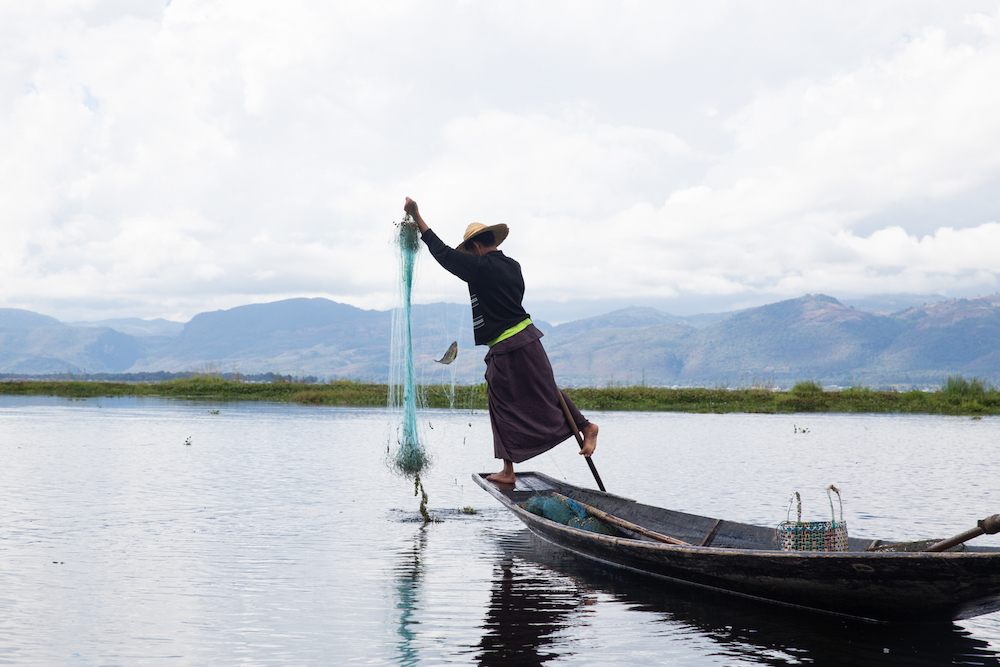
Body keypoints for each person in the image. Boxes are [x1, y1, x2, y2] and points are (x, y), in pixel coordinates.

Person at [403, 197, 598, 485]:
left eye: (470, 252)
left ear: (476, 247)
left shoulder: (480, 267)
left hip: (509, 345)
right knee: (546, 389)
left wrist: (418, 218)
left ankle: (508, 471)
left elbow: (443, 254)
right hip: (528, 338)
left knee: (500, 402)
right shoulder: (513, 266)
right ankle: (585, 425)